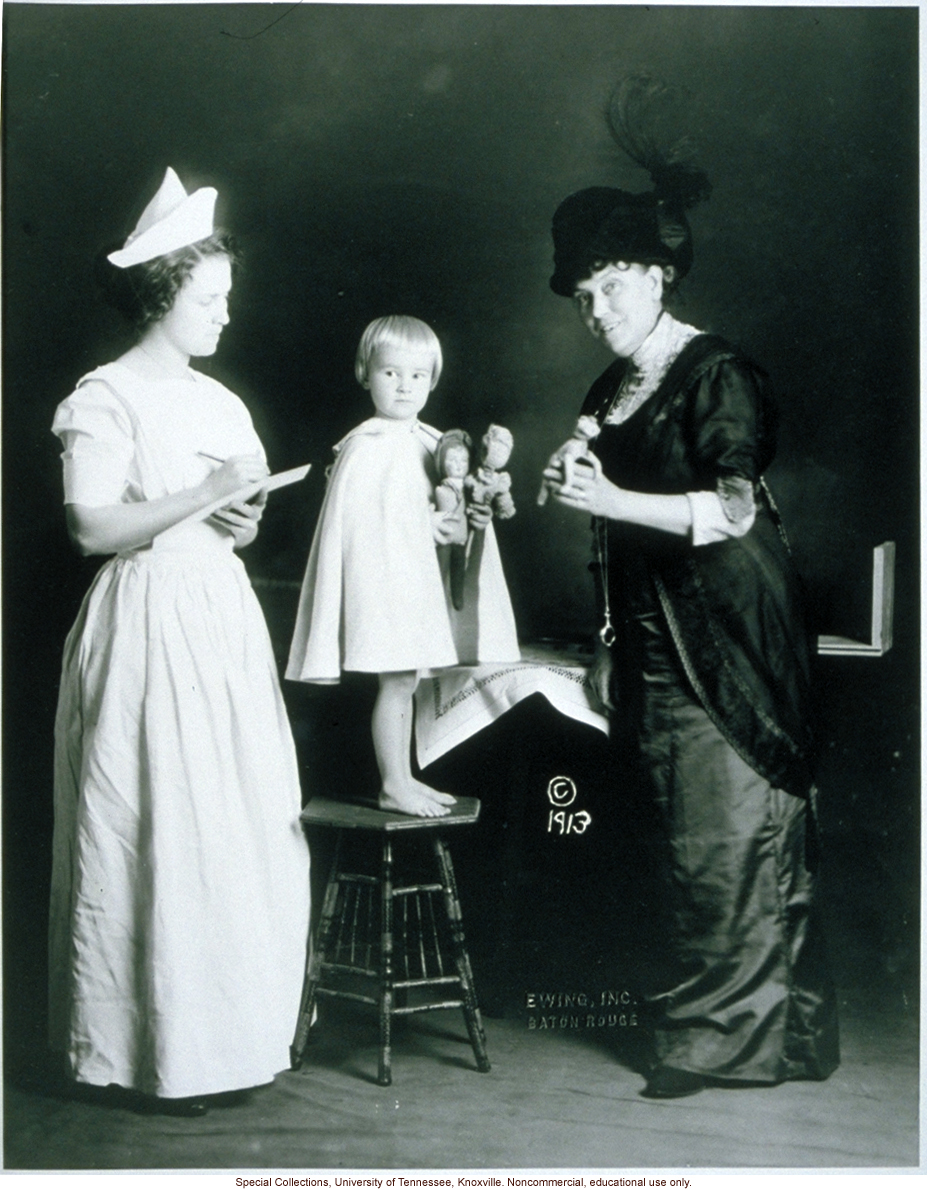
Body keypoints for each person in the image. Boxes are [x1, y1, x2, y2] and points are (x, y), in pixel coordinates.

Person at [541, 81, 840, 1098]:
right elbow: (608, 523)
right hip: (654, 634)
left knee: (727, 827)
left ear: (659, 276)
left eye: (611, 289)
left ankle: (727, 1041)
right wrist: (603, 620)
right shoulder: (610, 386)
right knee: (682, 831)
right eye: (582, 296)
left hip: (729, 633)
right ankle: (751, 1026)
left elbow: (733, 512)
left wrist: (614, 495)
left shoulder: (715, 372)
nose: (595, 312)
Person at [48, 168, 311, 1116]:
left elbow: (226, 522)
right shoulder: (106, 396)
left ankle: (229, 1044)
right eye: (209, 299)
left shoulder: (221, 402)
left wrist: (239, 521)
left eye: (228, 298)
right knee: (153, 821)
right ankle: (151, 1053)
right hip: (147, 624)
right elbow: (89, 527)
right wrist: (204, 496)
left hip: (219, 616)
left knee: (232, 823)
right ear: (163, 296)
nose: (224, 316)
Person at [285, 315, 520, 818]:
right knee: (396, 683)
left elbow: (439, 509)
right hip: (385, 586)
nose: (404, 386)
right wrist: (423, 529)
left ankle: (404, 775)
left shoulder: (432, 441)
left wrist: (462, 521)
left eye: (418, 375)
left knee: (406, 683)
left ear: (433, 379)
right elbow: (368, 529)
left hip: (414, 585)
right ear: (365, 373)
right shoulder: (367, 446)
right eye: (390, 373)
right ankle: (394, 782)